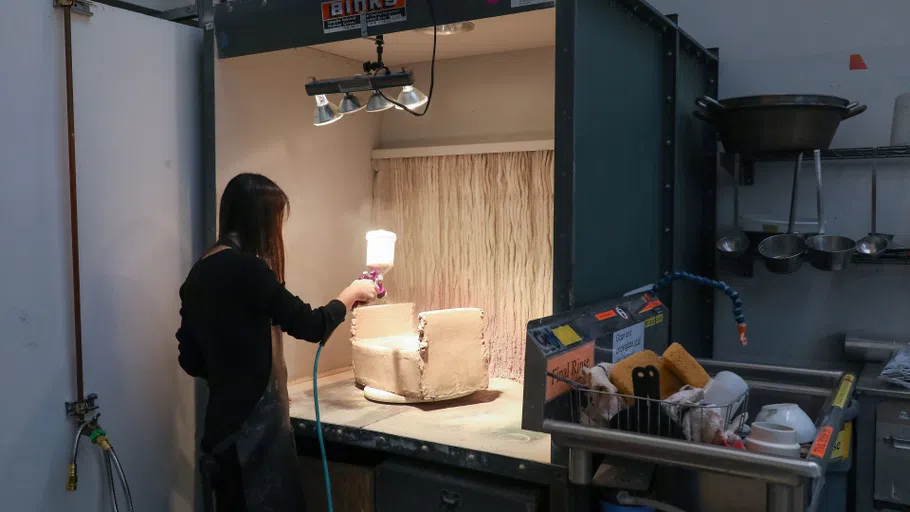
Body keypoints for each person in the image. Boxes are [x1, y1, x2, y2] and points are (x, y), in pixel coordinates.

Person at [176, 173, 379, 511]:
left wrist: (230, 368)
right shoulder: (249, 271)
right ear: (258, 220)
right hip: (252, 441)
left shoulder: (200, 270)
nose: (276, 233)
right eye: (274, 221)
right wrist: (352, 293)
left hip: (219, 437)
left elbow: (190, 359)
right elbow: (312, 325)